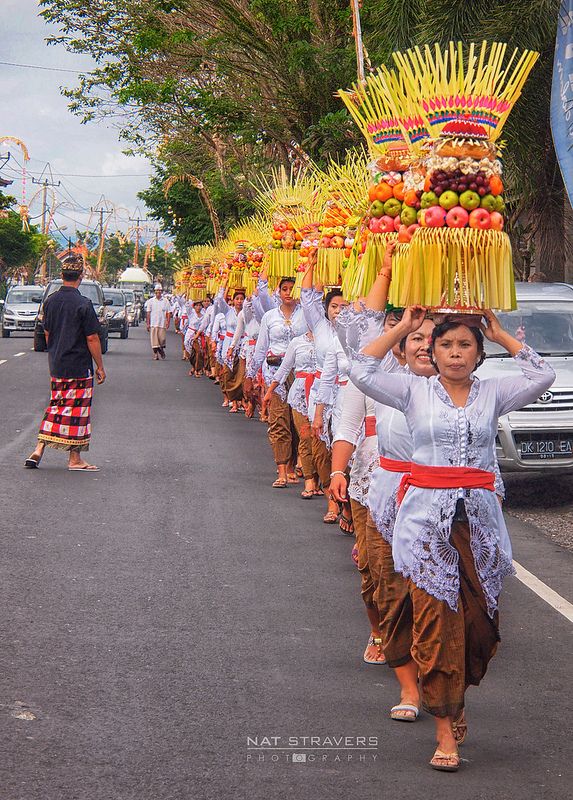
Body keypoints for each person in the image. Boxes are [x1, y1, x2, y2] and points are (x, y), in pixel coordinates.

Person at [351, 303, 555, 772]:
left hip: (479, 525)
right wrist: (403, 327)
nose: (455, 354)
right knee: (436, 624)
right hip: (424, 525)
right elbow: (361, 368)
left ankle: (455, 698)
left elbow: (543, 376)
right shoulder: (412, 392)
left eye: (466, 345)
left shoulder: (493, 394)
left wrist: (503, 335)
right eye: (445, 344)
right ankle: (445, 729)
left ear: (479, 354)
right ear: (432, 350)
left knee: (477, 624)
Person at [24, 252, 106, 472]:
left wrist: (56, 351)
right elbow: (92, 337)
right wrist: (99, 366)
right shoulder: (83, 304)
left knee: (57, 405)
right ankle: (75, 459)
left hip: (58, 363)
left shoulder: (50, 302)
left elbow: (48, 333)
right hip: (79, 365)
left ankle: (39, 448)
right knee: (77, 411)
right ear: (80, 277)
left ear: (62, 275)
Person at [244, 276, 308, 487]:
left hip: (300, 372)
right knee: (278, 420)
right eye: (285, 289)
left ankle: (293, 466)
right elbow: (262, 347)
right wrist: (250, 374)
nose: (289, 293)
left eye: (292, 289)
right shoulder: (270, 317)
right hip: (275, 371)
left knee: (297, 422)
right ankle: (281, 469)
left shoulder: (308, 315)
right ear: (278, 292)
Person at [146, 284, 171, 360]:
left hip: (162, 323)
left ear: (162, 292)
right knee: (154, 341)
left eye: (160, 291)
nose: (158, 292)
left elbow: (168, 312)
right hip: (153, 323)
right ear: (155, 292)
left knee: (162, 339)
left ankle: (161, 349)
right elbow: (148, 313)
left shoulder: (165, 301)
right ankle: (155, 354)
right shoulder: (150, 301)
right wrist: (148, 323)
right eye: (157, 291)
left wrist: (168, 322)